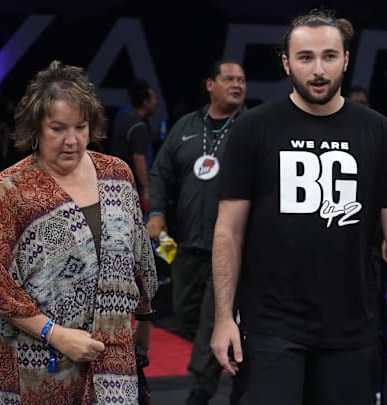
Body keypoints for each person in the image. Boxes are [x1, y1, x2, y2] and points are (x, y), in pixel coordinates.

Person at [209, 9, 387, 405]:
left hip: (352, 326)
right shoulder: (254, 128)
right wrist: (222, 319)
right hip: (272, 324)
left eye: (329, 56)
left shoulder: (379, 132)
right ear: (286, 62)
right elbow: (228, 229)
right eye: (305, 58)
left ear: (346, 59)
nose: (318, 70)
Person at [0, 60, 158, 404]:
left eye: (80, 127)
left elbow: (138, 258)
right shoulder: (9, 190)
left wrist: (144, 320)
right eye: (57, 128)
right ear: (35, 128)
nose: (71, 141)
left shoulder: (116, 174)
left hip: (112, 356)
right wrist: (56, 335)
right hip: (39, 364)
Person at [147, 59, 247, 405]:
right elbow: (160, 173)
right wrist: (157, 211)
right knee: (185, 310)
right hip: (187, 244)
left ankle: (200, 392)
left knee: (211, 316)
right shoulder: (186, 127)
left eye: (241, 80)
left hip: (234, 248)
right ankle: (239, 359)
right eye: (229, 79)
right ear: (210, 85)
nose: (237, 85)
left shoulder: (251, 127)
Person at [109, 79, 159, 212]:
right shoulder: (138, 126)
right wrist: (146, 189)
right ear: (145, 103)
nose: (156, 102)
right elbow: (139, 159)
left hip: (117, 183)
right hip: (132, 188)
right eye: (153, 98)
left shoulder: (124, 119)